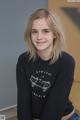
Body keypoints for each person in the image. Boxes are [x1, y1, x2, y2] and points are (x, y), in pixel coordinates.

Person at [16, 8, 80, 120]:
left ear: (55, 34)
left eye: (46, 31)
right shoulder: (23, 60)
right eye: (34, 31)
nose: (39, 37)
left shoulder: (66, 62)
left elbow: (55, 106)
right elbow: (23, 102)